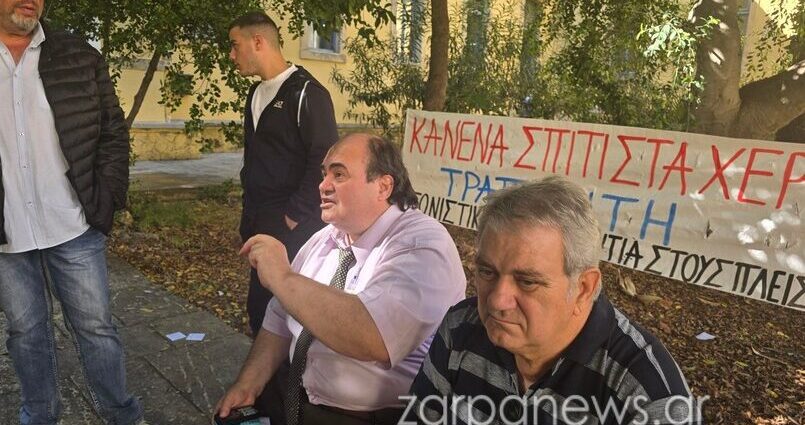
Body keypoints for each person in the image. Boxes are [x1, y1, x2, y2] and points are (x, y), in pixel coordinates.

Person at [0, 2, 144, 424]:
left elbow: (112, 130)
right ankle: (39, 415)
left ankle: (121, 415)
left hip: (72, 223)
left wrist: (107, 196)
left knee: (96, 328)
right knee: (26, 331)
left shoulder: (78, 54)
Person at [215, 134, 467, 425]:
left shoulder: (422, 243)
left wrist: (282, 277)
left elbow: (373, 336)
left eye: (339, 174)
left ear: (383, 186)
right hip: (294, 398)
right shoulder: (326, 238)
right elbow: (280, 314)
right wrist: (248, 384)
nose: (323, 185)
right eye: (324, 174)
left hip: (375, 417)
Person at [407, 176, 701, 424]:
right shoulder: (460, 328)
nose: (497, 301)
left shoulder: (649, 394)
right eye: (487, 272)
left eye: (527, 281)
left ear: (584, 288)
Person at [228, 11, 338, 336]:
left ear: (257, 42)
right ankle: (263, 369)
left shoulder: (307, 94)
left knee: (289, 318)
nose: (231, 55)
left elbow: (325, 160)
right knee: (259, 311)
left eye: (235, 45)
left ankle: (291, 371)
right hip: (258, 222)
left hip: (293, 228)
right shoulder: (255, 94)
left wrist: (292, 216)